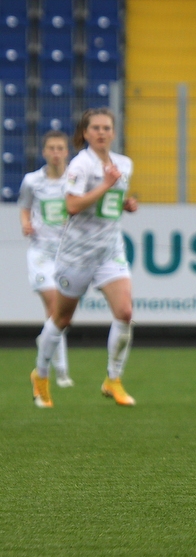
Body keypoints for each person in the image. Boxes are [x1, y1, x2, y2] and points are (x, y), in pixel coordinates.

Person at [31, 108, 138, 408]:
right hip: (77, 254)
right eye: (96, 128)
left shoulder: (124, 164)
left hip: (109, 251)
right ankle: (40, 376)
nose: (102, 132)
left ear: (113, 132)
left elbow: (110, 204)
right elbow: (72, 206)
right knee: (62, 318)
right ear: (86, 133)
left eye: (107, 128)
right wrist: (105, 186)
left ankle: (113, 379)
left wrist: (126, 204)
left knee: (125, 312)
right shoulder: (80, 165)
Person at [19, 131, 75, 401]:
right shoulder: (32, 181)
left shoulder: (76, 180)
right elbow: (24, 206)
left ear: (67, 152)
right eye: (51, 148)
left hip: (68, 255)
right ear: (44, 152)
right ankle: (59, 371)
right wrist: (25, 223)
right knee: (55, 309)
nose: (56, 152)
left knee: (60, 317)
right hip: (41, 254)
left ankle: (47, 345)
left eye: (60, 148)